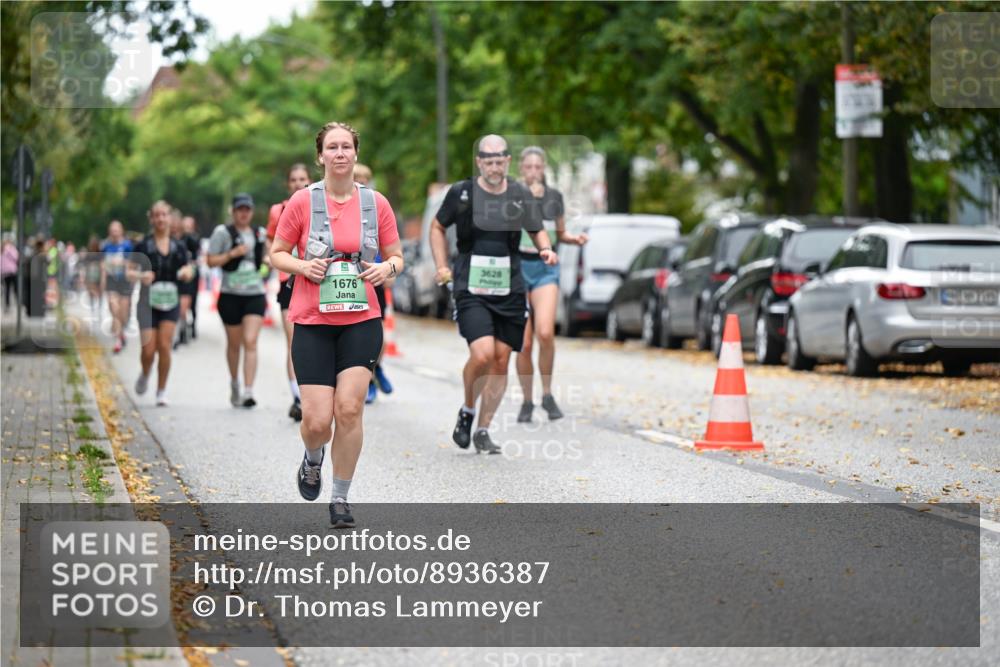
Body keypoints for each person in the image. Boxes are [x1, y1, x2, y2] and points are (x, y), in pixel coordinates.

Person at [270, 121, 403, 528]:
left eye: (347, 146)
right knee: (316, 423)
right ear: (321, 156)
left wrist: (387, 268)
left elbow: (396, 256)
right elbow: (278, 253)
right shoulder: (302, 202)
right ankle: (313, 459)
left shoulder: (375, 203)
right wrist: (302, 265)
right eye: (333, 147)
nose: (341, 153)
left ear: (356, 154)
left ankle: (340, 498)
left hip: (362, 319)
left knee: (349, 410)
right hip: (312, 319)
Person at [430, 134, 556, 454]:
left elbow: (536, 227)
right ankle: (468, 410)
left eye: (500, 160)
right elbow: (436, 227)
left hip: (510, 287)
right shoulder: (462, 194)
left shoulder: (519, 194)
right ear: (479, 162)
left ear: (508, 161)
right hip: (470, 286)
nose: (495, 166)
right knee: (483, 353)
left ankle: (483, 429)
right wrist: (441, 264)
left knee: (501, 360)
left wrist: (545, 249)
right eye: (489, 160)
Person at [514, 146, 588, 422]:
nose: (533, 171)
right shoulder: (512, 195)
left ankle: (546, 394)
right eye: (528, 167)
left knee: (545, 333)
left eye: (538, 167)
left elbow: (559, 233)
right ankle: (526, 400)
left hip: (546, 268)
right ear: (521, 168)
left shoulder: (554, 197)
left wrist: (573, 239)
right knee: (523, 342)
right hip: (518, 268)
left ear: (543, 168)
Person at [207, 194, 268, 408]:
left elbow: (268, 257)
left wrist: (268, 262)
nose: (244, 213)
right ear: (233, 211)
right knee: (235, 344)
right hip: (230, 295)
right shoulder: (223, 233)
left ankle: (249, 391)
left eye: (247, 209)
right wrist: (232, 253)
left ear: (251, 212)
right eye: (240, 209)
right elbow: (210, 260)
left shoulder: (259, 233)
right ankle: (235, 383)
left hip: (255, 294)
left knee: (250, 341)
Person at [132, 200, 194, 406]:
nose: (160, 218)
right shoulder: (143, 245)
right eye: (156, 215)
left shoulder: (179, 246)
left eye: (164, 214)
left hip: (170, 301)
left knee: (165, 347)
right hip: (147, 303)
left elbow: (189, 269)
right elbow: (128, 271)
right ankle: (145, 372)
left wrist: (187, 272)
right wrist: (141, 275)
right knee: (149, 351)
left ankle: (161, 390)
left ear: (170, 218)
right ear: (151, 218)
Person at [266, 163, 311, 421]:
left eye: (302, 178)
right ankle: (298, 396)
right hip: (288, 281)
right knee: (294, 341)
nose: (297, 183)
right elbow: (271, 241)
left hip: (315, 280)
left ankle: (313, 394)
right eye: (293, 179)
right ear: (288, 184)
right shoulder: (278, 210)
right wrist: (269, 256)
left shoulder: (319, 204)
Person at [354, 163, 394, 405]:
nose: (360, 182)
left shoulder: (377, 208)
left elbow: (391, 246)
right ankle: (367, 380)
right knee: (360, 335)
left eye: (364, 179)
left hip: (375, 277)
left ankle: (376, 367)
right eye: (356, 178)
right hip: (348, 279)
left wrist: (390, 269)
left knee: (378, 335)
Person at [102, 221, 135, 353]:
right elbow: (103, 264)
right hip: (111, 280)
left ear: (121, 231)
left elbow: (132, 263)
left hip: (124, 281)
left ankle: (121, 332)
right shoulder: (106, 246)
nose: (114, 232)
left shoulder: (127, 245)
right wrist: (103, 280)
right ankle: (118, 339)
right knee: (113, 307)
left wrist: (123, 263)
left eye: (117, 230)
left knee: (123, 311)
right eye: (112, 230)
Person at [171, 211, 200, 348]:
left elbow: (196, 259)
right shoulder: (167, 240)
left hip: (187, 278)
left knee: (185, 308)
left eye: (177, 224)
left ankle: (184, 330)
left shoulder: (189, 239)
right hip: (172, 278)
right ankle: (178, 333)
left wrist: (189, 270)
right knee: (175, 308)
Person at [181, 216, 202, 340]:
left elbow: (195, 246)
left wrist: (188, 234)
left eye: (189, 225)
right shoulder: (180, 237)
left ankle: (193, 325)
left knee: (193, 301)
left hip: (193, 273)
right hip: (182, 273)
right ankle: (182, 329)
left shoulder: (195, 237)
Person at [81, 236, 104, 319]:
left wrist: (103, 279)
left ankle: (99, 310)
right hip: (90, 275)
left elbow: (102, 266)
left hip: (97, 275)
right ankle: (93, 310)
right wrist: (84, 278)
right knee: (91, 293)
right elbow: (85, 267)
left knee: (99, 293)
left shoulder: (100, 254)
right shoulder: (88, 254)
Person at [1, 238, 19, 313]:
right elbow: (17, 257)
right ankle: (18, 302)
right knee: (15, 288)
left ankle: (7, 304)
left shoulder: (2, 250)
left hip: (5, 272)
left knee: (7, 289)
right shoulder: (12, 249)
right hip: (12, 271)